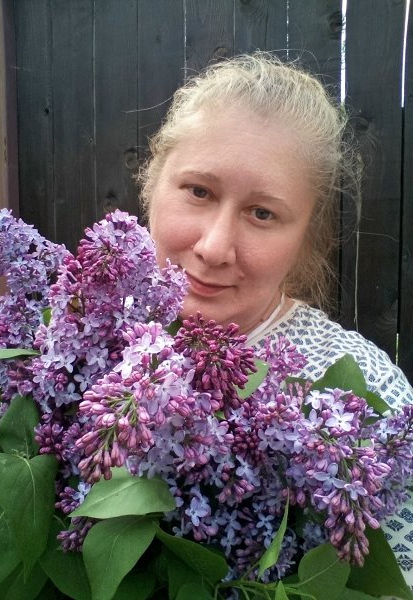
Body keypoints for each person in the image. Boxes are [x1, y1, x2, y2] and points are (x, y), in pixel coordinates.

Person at [138, 53, 413, 589]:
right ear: (152, 183)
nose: (214, 247)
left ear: (307, 236)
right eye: (199, 191)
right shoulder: (81, 331)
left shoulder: (369, 395)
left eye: (262, 213)